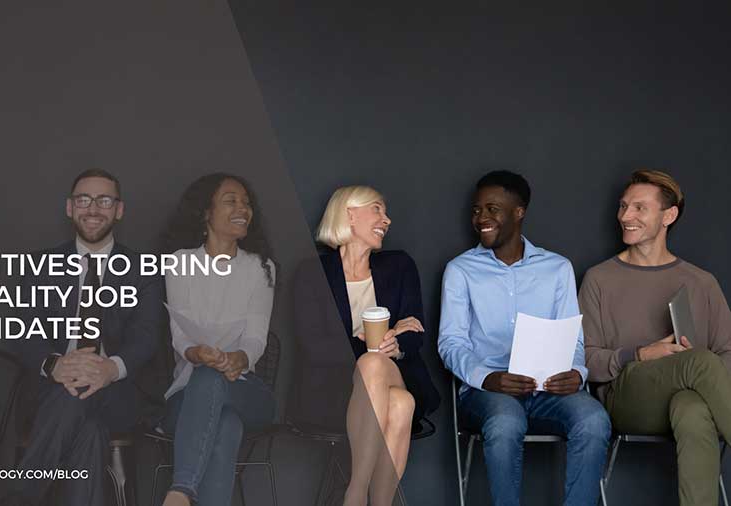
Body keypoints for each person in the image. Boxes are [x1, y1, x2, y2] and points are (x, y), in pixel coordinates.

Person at [438, 170, 611, 506]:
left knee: (593, 420)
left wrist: (577, 372)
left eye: (492, 209)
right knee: (505, 422)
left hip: (549, 390)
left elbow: (573, 337)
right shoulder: (460, 270)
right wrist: (488, 378)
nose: (482, 218)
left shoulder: (557, 268)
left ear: (519, 212)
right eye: (477, 211)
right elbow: (451, 343)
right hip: (487, 393)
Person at [3, 168, 165, 506]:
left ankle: (18, 498)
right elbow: (20, 330)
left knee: (77, 393)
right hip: (49, 391)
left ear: (119, 210)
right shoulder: (40, 265)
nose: (93, 209)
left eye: (104, 200)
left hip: (117, 394)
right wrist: (55, 365)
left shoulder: (143, 269)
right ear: (69, 207)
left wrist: (110, 369)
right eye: (84, 200)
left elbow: (147, 337)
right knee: (88, 434)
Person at [580, 169, 731, 506]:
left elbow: (729, 351)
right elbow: (585, 359)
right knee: (700, 361)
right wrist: (639, 354)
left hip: (688, 396)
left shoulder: (701, 282)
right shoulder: (599, 279)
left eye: (638, 208)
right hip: (627, 399)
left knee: (693, 411)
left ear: (669, 215)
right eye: (623, 207)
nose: (625, 216)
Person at [293, 185, 439, 506]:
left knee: (375, 366)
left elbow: (415, 333)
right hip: (334, 393)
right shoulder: (311, 273)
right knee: (400, 405)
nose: (386, 220)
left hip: (395, 372)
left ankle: (355, 492)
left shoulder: (399, 265)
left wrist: (396, 343)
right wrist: (382, 337)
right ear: (350, 214)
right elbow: (315, 346)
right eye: (377, 209)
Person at [159, 173, 276, 506]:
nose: (243, 208)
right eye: (231, 201)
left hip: (246, 390)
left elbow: (256, 336)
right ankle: (183, 493)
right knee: (224, 424)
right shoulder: (179, 262)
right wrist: (197, 352)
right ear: (205, 213)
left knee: (216, 381)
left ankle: (180, 491)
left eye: (246, 203)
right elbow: (180, 335)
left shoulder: (260, 268)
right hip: (187, 394)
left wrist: (239, 358)